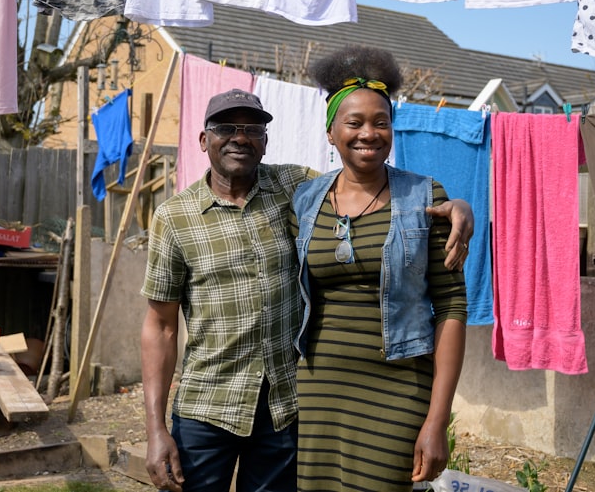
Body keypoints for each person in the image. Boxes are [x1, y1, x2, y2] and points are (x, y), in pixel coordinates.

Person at [140, 87, 473, 492]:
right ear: (203, 139)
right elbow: (160, 327)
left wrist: (459, 205)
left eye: (253, 129)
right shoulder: (175, 218)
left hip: (286, 408)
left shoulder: (296, 188)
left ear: (265, 141)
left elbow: (365, 181)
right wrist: (155, 427)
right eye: (226, 128)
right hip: (209, 406)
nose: (240, 137)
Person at [291, 47, 469, 491]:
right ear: (331, 132)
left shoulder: (424, 196)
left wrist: (437, 419)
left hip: (398, 385)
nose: (369, 133)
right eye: (354, 122)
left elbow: (452, 307)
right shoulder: (304, 199)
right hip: (319, 387)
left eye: (381, 122)